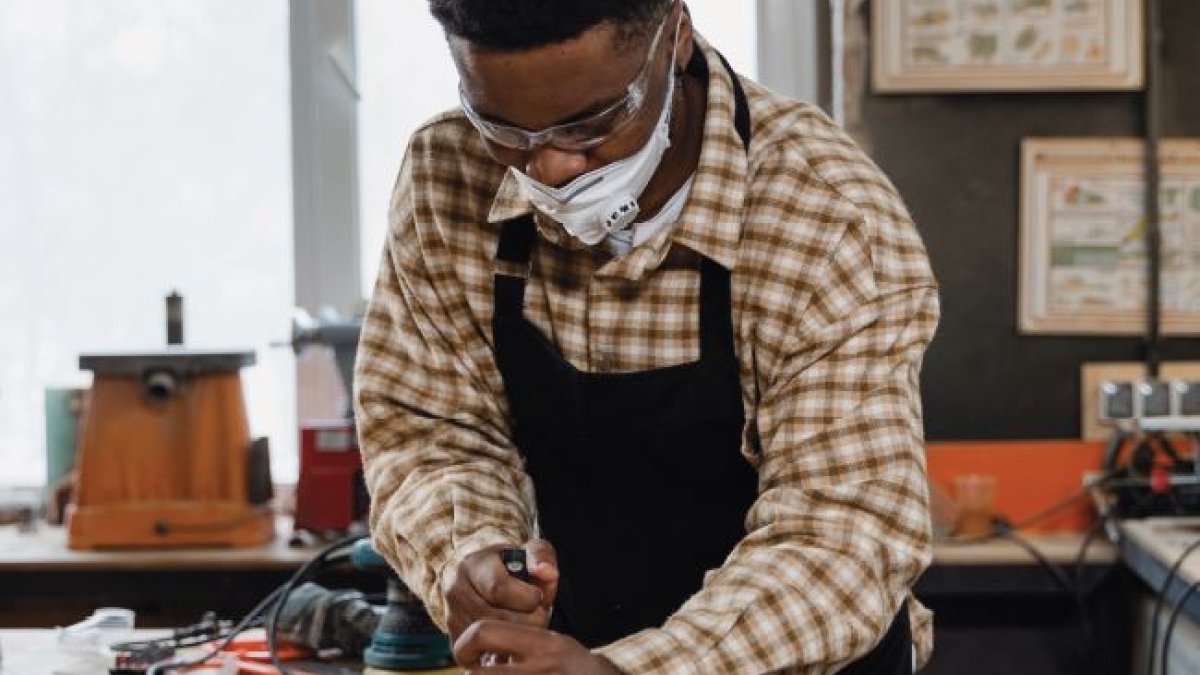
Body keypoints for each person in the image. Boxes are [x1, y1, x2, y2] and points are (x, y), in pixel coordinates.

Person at [356, 1, 939, 672]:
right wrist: (471, 555)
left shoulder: (825, 213)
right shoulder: (448, 172)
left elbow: (843, 541)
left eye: (591, 124)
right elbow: (429, 431)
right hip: (579, 645)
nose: (548, 168)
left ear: (675, 35)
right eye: (504, 128)